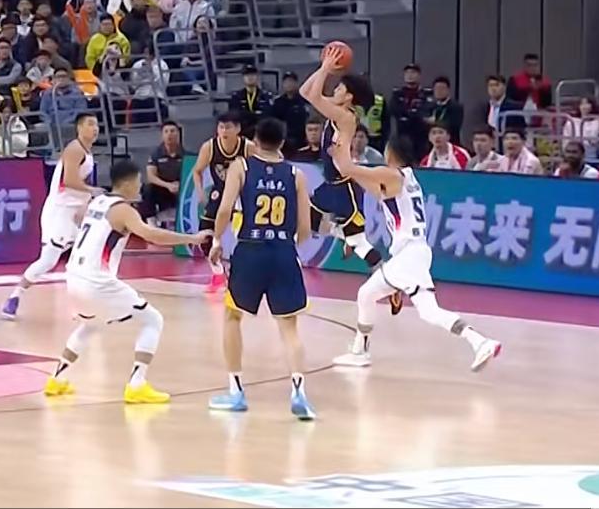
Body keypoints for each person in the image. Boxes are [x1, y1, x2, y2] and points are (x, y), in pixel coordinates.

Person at [329, 131, 502, 371]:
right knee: (386, 299)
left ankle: (361, 351)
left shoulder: (392, 174)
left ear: (391, 152)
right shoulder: (404, 179)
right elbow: (361, 180)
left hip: (409, 255)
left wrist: (338, 143)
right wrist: (344, 163)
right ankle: (479, 342)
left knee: (377, 296)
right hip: (413, 253)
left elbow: (347, 168)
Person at [42, 161, 210, 403]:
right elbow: (152, 235)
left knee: (91, 325)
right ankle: (137, 384)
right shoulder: (124, 210)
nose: (140, 186)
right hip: (96, 281)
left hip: (73, 277)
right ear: (129, 183)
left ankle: (56, 379)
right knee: (153, 320)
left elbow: (78, 217)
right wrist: (192, 238)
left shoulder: (97, 201)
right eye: (139, 181)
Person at [207, 118, 318, 420]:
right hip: (283, 252)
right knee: (289, 327)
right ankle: (299, 391)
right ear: (282, 142)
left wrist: (217, 240)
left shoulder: (241, 167)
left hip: (250, 249)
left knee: (232, 317)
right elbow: (305, 228)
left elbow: (225, 209)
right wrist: (288, 246)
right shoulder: (296, 174)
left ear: (255, 140)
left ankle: (236, 391)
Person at [300, 43, 393, 299]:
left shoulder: (345, 117)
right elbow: (306, 91)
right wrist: (323, 69)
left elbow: (314, 97)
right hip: (331, 183)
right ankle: (343, 235)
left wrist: (326, 69)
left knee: (359, 242)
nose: (335, 89)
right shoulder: (337, 109)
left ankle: (388, 279)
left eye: (340, 87)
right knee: (308, 221)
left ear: (349, 96)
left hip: (344, 186)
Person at [1, 113, 102, 319]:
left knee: (89, 252)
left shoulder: (87, 151)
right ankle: (14, 296)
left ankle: (86, 301)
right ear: (79, 128)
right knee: (48, 260)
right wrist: (93, 191)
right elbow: (70, 181)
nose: (95, 128)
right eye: (90, 124)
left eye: (97, 124)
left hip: (75, 210)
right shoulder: (74, 149)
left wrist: (87, 202)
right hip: (60, 212)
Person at [190, 112, 246, 293]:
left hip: (241, 194)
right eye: (221, 127)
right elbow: (197, 171)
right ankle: (218, 273)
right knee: (204, 235)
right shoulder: (210, 147)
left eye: (228, 127)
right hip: (220, 192)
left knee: (244, 236)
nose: (224, 131)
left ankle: (239, 275)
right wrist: (200, 192)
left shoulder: (248, 147)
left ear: (238, 129)